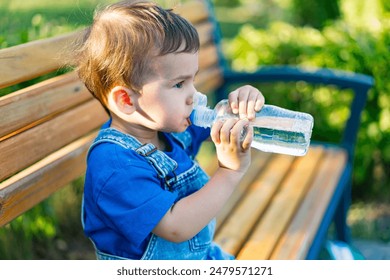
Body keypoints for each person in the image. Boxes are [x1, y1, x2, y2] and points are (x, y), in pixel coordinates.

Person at [76, 0, 265, 260]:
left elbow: (224, 125)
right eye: (178, 85)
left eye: (192, 80)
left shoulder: (168, 126)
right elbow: (176, 227)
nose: (194, 95)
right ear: (127, 100)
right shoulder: (115, 165)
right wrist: (230, 172)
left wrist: (242, 105)